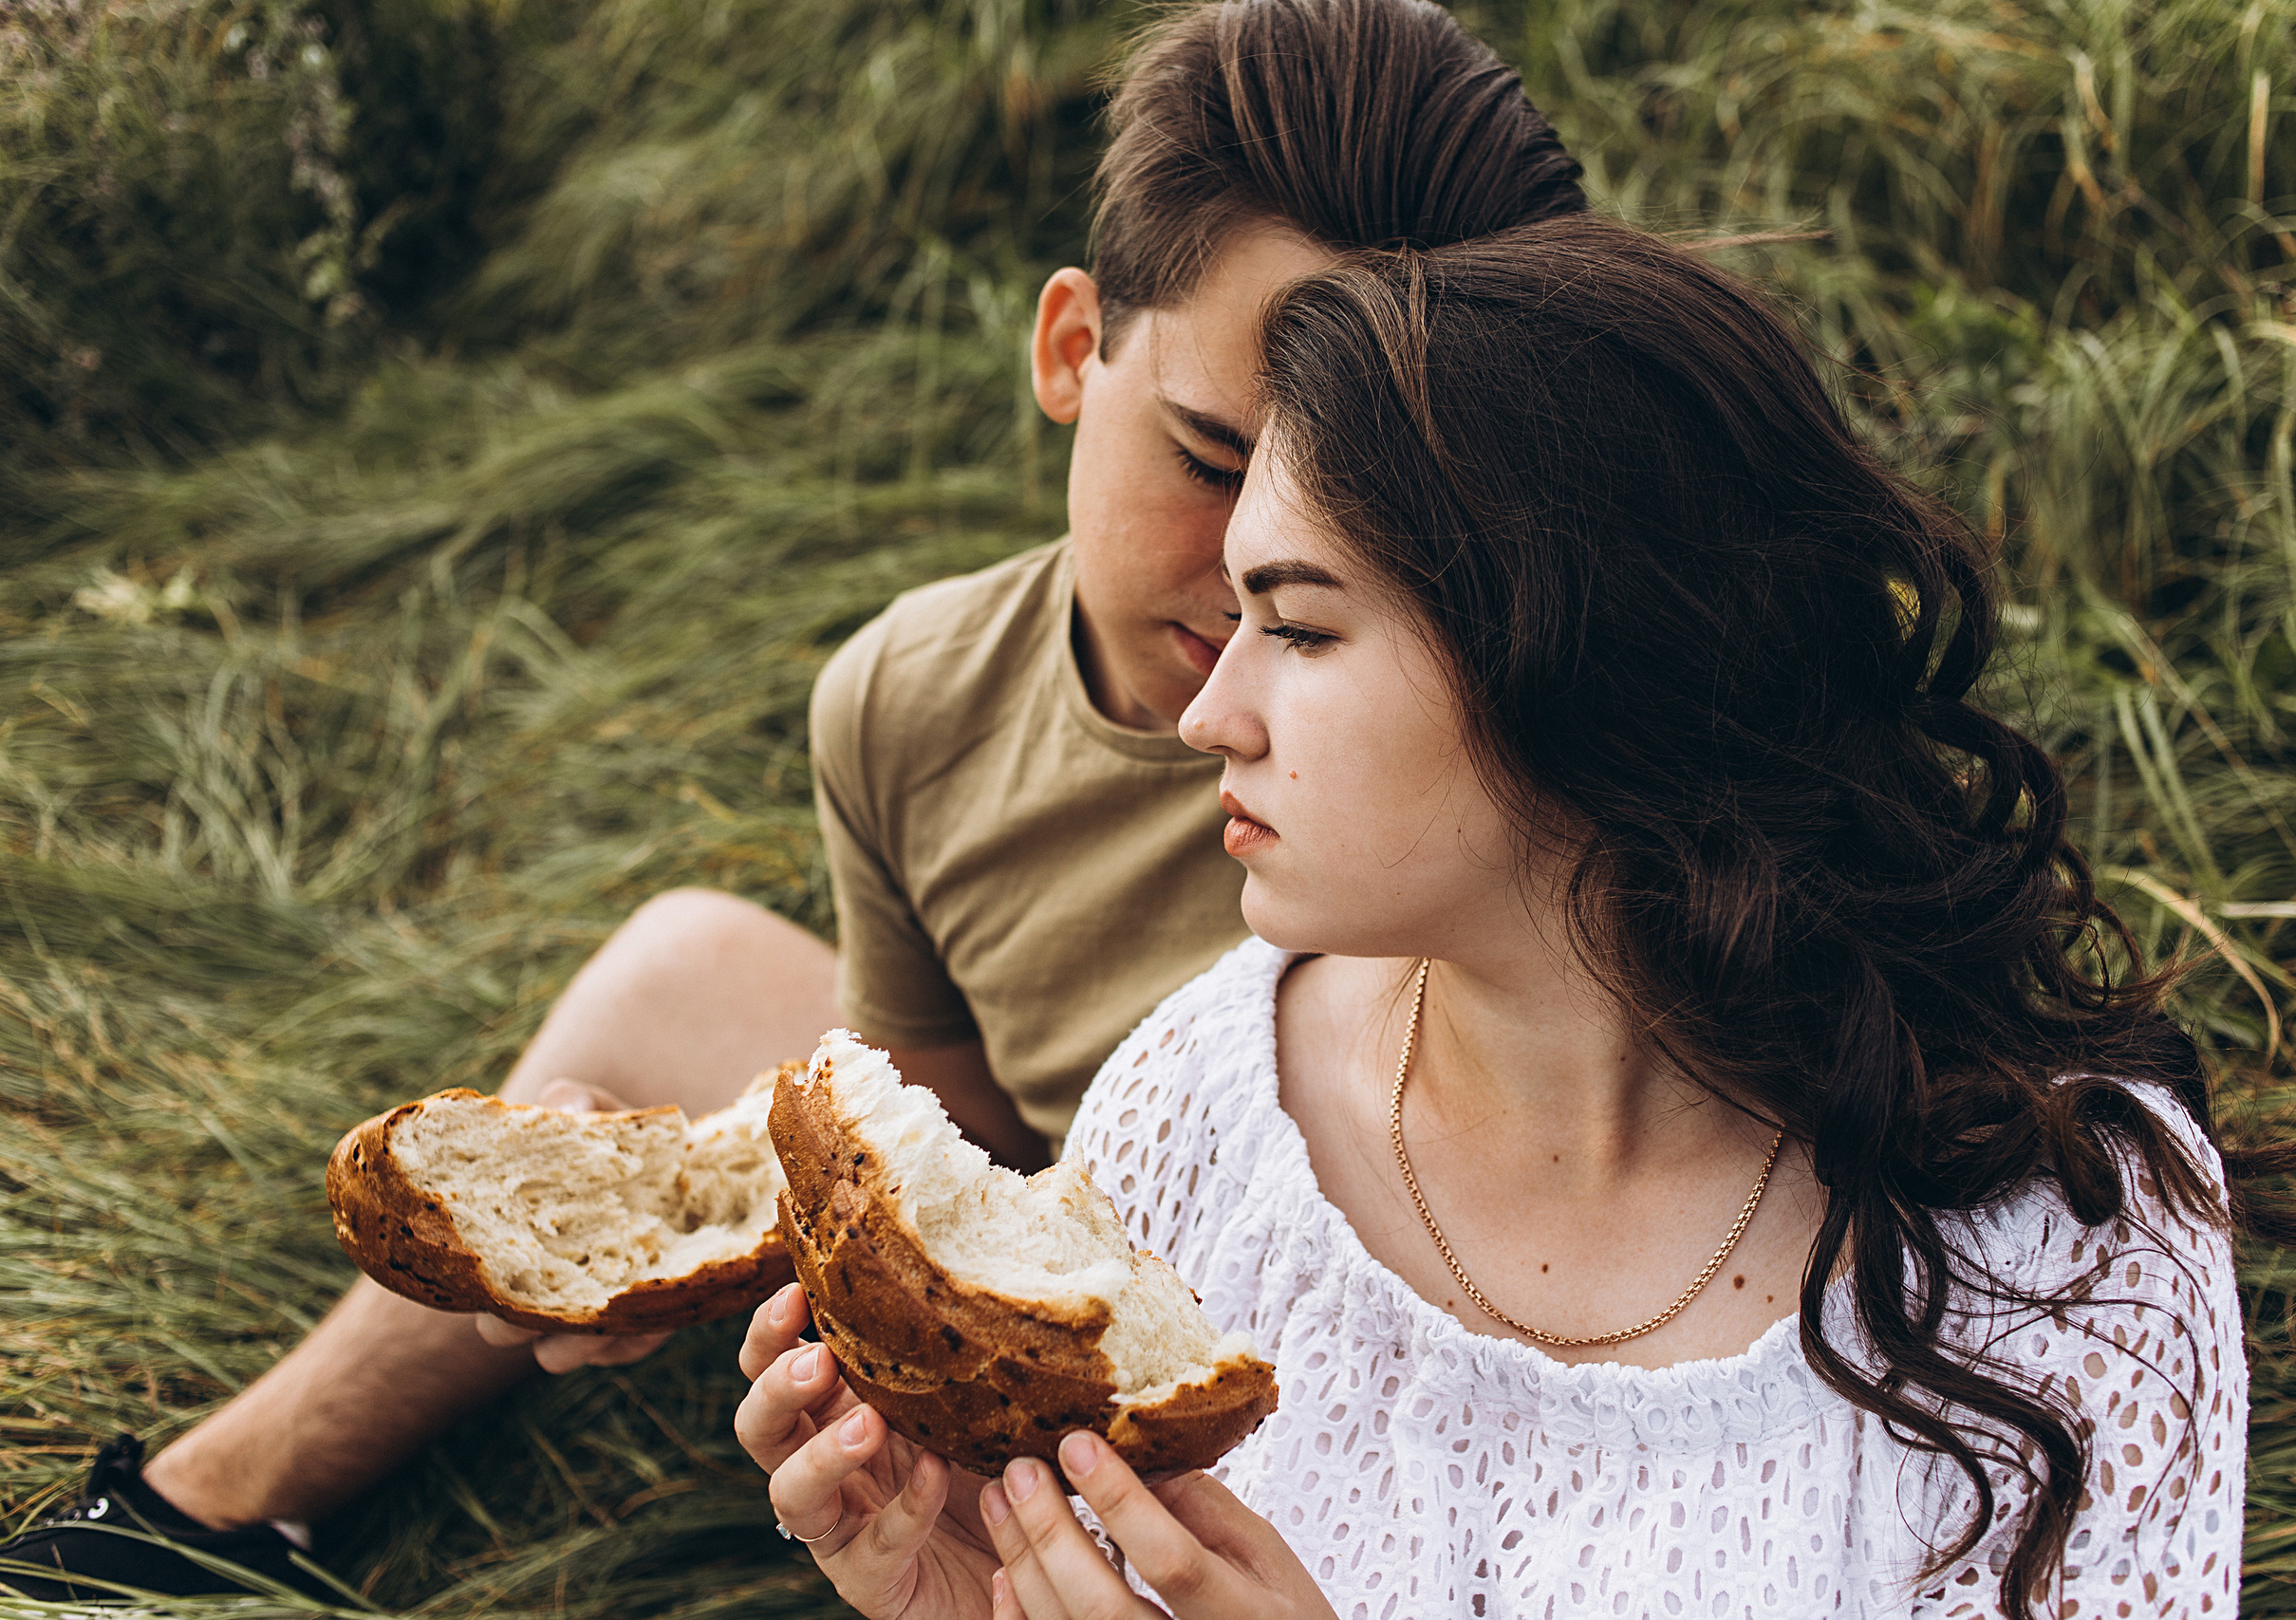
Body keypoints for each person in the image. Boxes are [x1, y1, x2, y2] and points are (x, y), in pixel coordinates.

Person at [0, 0, 1591, 1603]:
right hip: (1107, 1235)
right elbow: (959, 1137)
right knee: (679, 970)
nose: (1259, 560)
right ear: (1067, 350)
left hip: (1375, 1325)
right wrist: (674, 1232)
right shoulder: (910, 701)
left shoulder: (1496, 746)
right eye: (1207, 457)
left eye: (1366, 524)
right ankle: (209, 1504)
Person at [732, 213, 2296, 1618]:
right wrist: (969, 1584)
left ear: (1576, 665)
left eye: (1301, 630)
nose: (1208, 714)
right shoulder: (1192, 1117)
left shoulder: (2067, 1251)